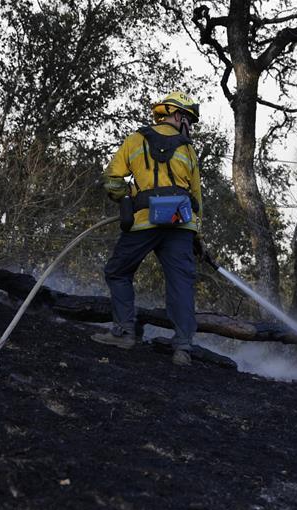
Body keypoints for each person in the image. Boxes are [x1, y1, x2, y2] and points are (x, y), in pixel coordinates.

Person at [91, 91, 203, 366]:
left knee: (118, 271)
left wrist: (130, 197)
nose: (189, 125)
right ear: (176, 115)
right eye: (187, 118)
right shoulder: (188, 149)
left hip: (143, 222)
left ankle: (125, 332)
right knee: (181, 284)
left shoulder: (135, 139)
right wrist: (195, 234)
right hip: (180, 225)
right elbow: (197, 198)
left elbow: (111, 180)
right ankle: (183, 348)